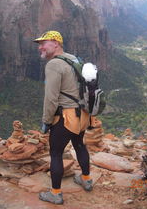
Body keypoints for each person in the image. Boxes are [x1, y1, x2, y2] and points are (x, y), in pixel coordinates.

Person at [33, 31, 93, 205]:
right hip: (83, 115)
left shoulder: (54, 64)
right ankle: (86, 179)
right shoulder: (73, 59)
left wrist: (46, 121)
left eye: (44, 43)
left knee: (56, 153)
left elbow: (50, 98)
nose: (40, 47)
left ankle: (56, 193)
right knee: (80, 145)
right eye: (39, 44)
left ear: (56, 43)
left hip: (66, 117)